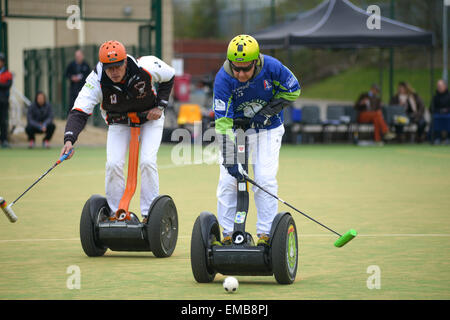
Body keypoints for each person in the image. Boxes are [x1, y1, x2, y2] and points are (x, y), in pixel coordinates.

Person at [60, 40, 175, 222]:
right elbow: (80, 111)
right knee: (113, 164)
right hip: (119, 122)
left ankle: (149, 215)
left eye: (117, 66)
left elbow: (170, 76)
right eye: (109, 68)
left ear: (125, 63)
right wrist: (69, 139)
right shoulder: (96, 80)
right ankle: (116, 214)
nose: (114, 72)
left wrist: (160, 106)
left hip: (149, 120)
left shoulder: (145, 66)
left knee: (147, 161)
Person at [213, 34, 301, 246]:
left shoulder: (272, 67)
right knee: (228, 181)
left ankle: (265, 235)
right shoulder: (223, 79)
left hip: (267, 130)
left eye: (245, 69)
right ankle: (227, 235)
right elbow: (222, 123)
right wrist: (230, 157)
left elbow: (293, 90)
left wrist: (267, 112)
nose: (240, 73)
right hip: (236, 129)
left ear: (256, 62)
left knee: (264, 180)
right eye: (237, 68)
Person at [430, 79, 450, 144]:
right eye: (438, 86)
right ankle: (437, 138)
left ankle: (448, 138)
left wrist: (446, 110)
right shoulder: (435, 97)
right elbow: (431, 108)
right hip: (438, 114)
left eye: (441, 85)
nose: (439, 87)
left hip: (448, 114)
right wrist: (439, 111)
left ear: (445, 86)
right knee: (435, 118)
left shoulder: (449, 96)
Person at [0, 52, 13, 148]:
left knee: (3, 121)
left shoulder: (8, 73)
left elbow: (8, 85)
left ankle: (4, 140)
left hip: (3, 101)